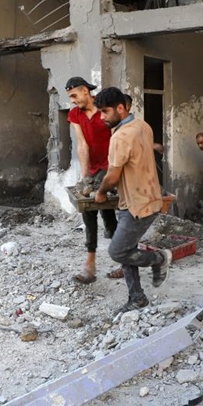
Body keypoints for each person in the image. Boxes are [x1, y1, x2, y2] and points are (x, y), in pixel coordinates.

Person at [93, 87, 172, 316]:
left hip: (139, 203)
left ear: (120, 108)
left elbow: (113, 176)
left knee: (117, 251)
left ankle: (159, 258)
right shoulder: (142, 126)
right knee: (128, 247)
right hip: (139, 197)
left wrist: (100, 192)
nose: (102, 117)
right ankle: (137, 297)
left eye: (105, 111)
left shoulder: (121, 136)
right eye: (99, 112)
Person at [65, 76, 119, 284]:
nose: (72, 100)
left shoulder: (105, 108)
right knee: (89, 210)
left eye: (74, 95)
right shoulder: (74, 114)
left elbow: (116, 140)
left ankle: (121, 261)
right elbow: (82, 145)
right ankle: (90, 265)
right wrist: (84, 177)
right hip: (94, 168)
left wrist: (114, 169)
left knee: (106, 211)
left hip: (109, 166)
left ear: (85, 91)